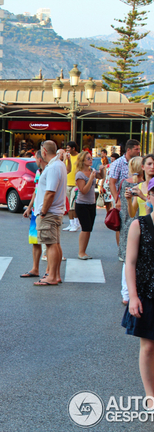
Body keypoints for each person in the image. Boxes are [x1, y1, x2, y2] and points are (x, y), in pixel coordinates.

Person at [121, 178, 154, 409]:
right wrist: (132, 296)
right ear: (149, 197)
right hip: (146, 293)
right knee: (149, 346)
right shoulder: (139, 225)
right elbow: (130, 263)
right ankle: (151, 396)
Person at [33, 141, 68, 286]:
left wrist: (43, 211)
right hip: (55, 211)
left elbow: (50, 192)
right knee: (55, 244)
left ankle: (52, 276)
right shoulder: (58, 165)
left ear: (44, 151)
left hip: (50, 211)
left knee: (51, 244)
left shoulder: (53, 167)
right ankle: (56, 274)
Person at [109, 139, 142, 256]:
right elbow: (112, 182)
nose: (139, 151)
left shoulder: (138, 161)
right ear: (129, 150)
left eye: (139, 149)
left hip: (135, 197)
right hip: (121, 197)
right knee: (122, 224)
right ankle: (122, 251)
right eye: (136, 149)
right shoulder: (118, 163)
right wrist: (116, 200)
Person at [119, 157, 144, 304]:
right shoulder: (137, 185)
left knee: (129, 257)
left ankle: (127, 293)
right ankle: (127, 293)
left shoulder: (127, 182)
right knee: (130, 258)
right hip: (133, 222)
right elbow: (131, 209)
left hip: (129, 221)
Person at [22, 151, 46, 279]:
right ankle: (35, 268)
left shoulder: (50, 171)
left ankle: (49, 272)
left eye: (35, 158)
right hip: (36, 210)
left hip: (45, 210)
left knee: (49, 242)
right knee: (35, 240)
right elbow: (36, 192)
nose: (35, 161)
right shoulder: (38, 172)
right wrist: (29, 207)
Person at [74, 152, 103, 259]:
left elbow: (101, 176)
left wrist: (102, 170)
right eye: (88, 159)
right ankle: (81, 252)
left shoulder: (92, 171)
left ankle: (84, 251)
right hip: (82, 204)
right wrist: (91, 179)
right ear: (83, 161)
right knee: (85, 228)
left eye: (91, 158)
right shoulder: (80, 174)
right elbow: (84, 190)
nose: (91, 160)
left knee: (89, 229)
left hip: (92, 203)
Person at [63, 141, 81, 232]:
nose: (67, 149)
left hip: (75, 184)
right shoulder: (67, 157)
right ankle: (71, 223)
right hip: (67, 183)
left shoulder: (79, 157)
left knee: (72, 205)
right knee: (68, 206)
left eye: (69, 148)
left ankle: (76, 223)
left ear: (73, 148)